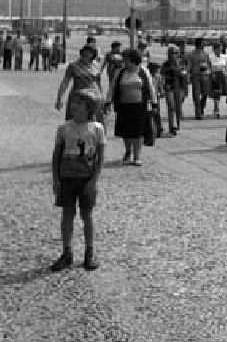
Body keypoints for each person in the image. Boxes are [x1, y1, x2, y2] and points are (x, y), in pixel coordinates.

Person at [50, 89, 105, 272]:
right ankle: (67, 252)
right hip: (67, 179)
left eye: (79, 104)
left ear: (89, 108)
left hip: (86, 179)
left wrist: (94, 180)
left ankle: (89, 252)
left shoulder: (97, 129)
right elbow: (56, 156)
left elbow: (100, 157)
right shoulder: (64, 128)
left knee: (87, 215)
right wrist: (56, 179)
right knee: (67, 215)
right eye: (73, 103)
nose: (74, 106)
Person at [106, 48, 154, 166]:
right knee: (126, 132)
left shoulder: (144, 71)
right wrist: (108, 102)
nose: (124, 62)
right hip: (124, 106)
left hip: (139, 106)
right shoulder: (120, 72)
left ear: (133, 60)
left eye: (126, 59)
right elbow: (112, 88)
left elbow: (151, 88)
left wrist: (154, 103)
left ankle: (137, 156)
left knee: (138, 132)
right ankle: (128, 151)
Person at [55, 45, 104, 122]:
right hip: (77, 97)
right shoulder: (73, 66)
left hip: (93, 97)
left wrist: (101, 97)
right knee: (75, 121)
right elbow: (65, 82)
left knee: (94, 122)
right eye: (85, 52)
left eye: (90, 52)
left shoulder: (96, 66)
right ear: (82, 53)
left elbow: (98, 83)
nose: (87, 54)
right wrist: (59, 98)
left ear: (93, 54)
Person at [159, 46, 185, 136]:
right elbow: (161, 76)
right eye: (172, 53)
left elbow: (185, 74)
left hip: (179, 87)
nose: (174, 55)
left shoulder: (181, 63)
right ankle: (171, 126)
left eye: (176, 53)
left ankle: (177, 124)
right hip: (169, 87)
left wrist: (180, 72)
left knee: (178, 107)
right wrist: (161, 89)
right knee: (171, 106)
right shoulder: (165, 64)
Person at [186, 38, 212, 120]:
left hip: (205, 75)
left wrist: (211, 73)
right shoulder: (191, 54)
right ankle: (198, 113)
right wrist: (188, 75)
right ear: (200, 44)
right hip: (196, 76)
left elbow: (209, 64)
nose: (205, 44)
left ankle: (201, 108)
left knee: (205, 94)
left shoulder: (206, 53)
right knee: (196, 95)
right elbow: (189, 65)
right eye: (203, 43)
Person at [208, 43, 227, 119]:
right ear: (214, 49)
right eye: (218, 49)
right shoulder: (210, 57)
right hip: (215, 76)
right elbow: (209, 67)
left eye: (221, 48)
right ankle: (216, 109)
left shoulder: (225, 57)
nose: (220, 50)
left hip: (224, 76)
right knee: (217, 93)